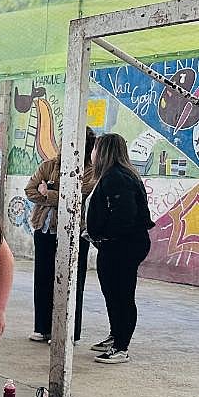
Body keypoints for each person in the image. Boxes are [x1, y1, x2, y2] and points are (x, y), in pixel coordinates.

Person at [86, 132, 154, 364]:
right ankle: (115, 335)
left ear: (103, 152)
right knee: (112, 293)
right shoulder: (112, 175)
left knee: (122, 295)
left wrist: (103, 235)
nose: (92, 153)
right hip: (115, 245)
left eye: (95, 148)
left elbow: (124, 216)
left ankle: (121, 347)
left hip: (123, 246)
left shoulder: (118, 177)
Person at [25, 129, 96, 343]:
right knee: (43, 279)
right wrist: (57, 196)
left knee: (72, 282)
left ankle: (70, 331)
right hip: (45, 229)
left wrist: (48, 192)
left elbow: (79, 195)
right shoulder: (48, 166)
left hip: (75, 233)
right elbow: (30, 191)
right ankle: (42, 327)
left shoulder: (91, 171)